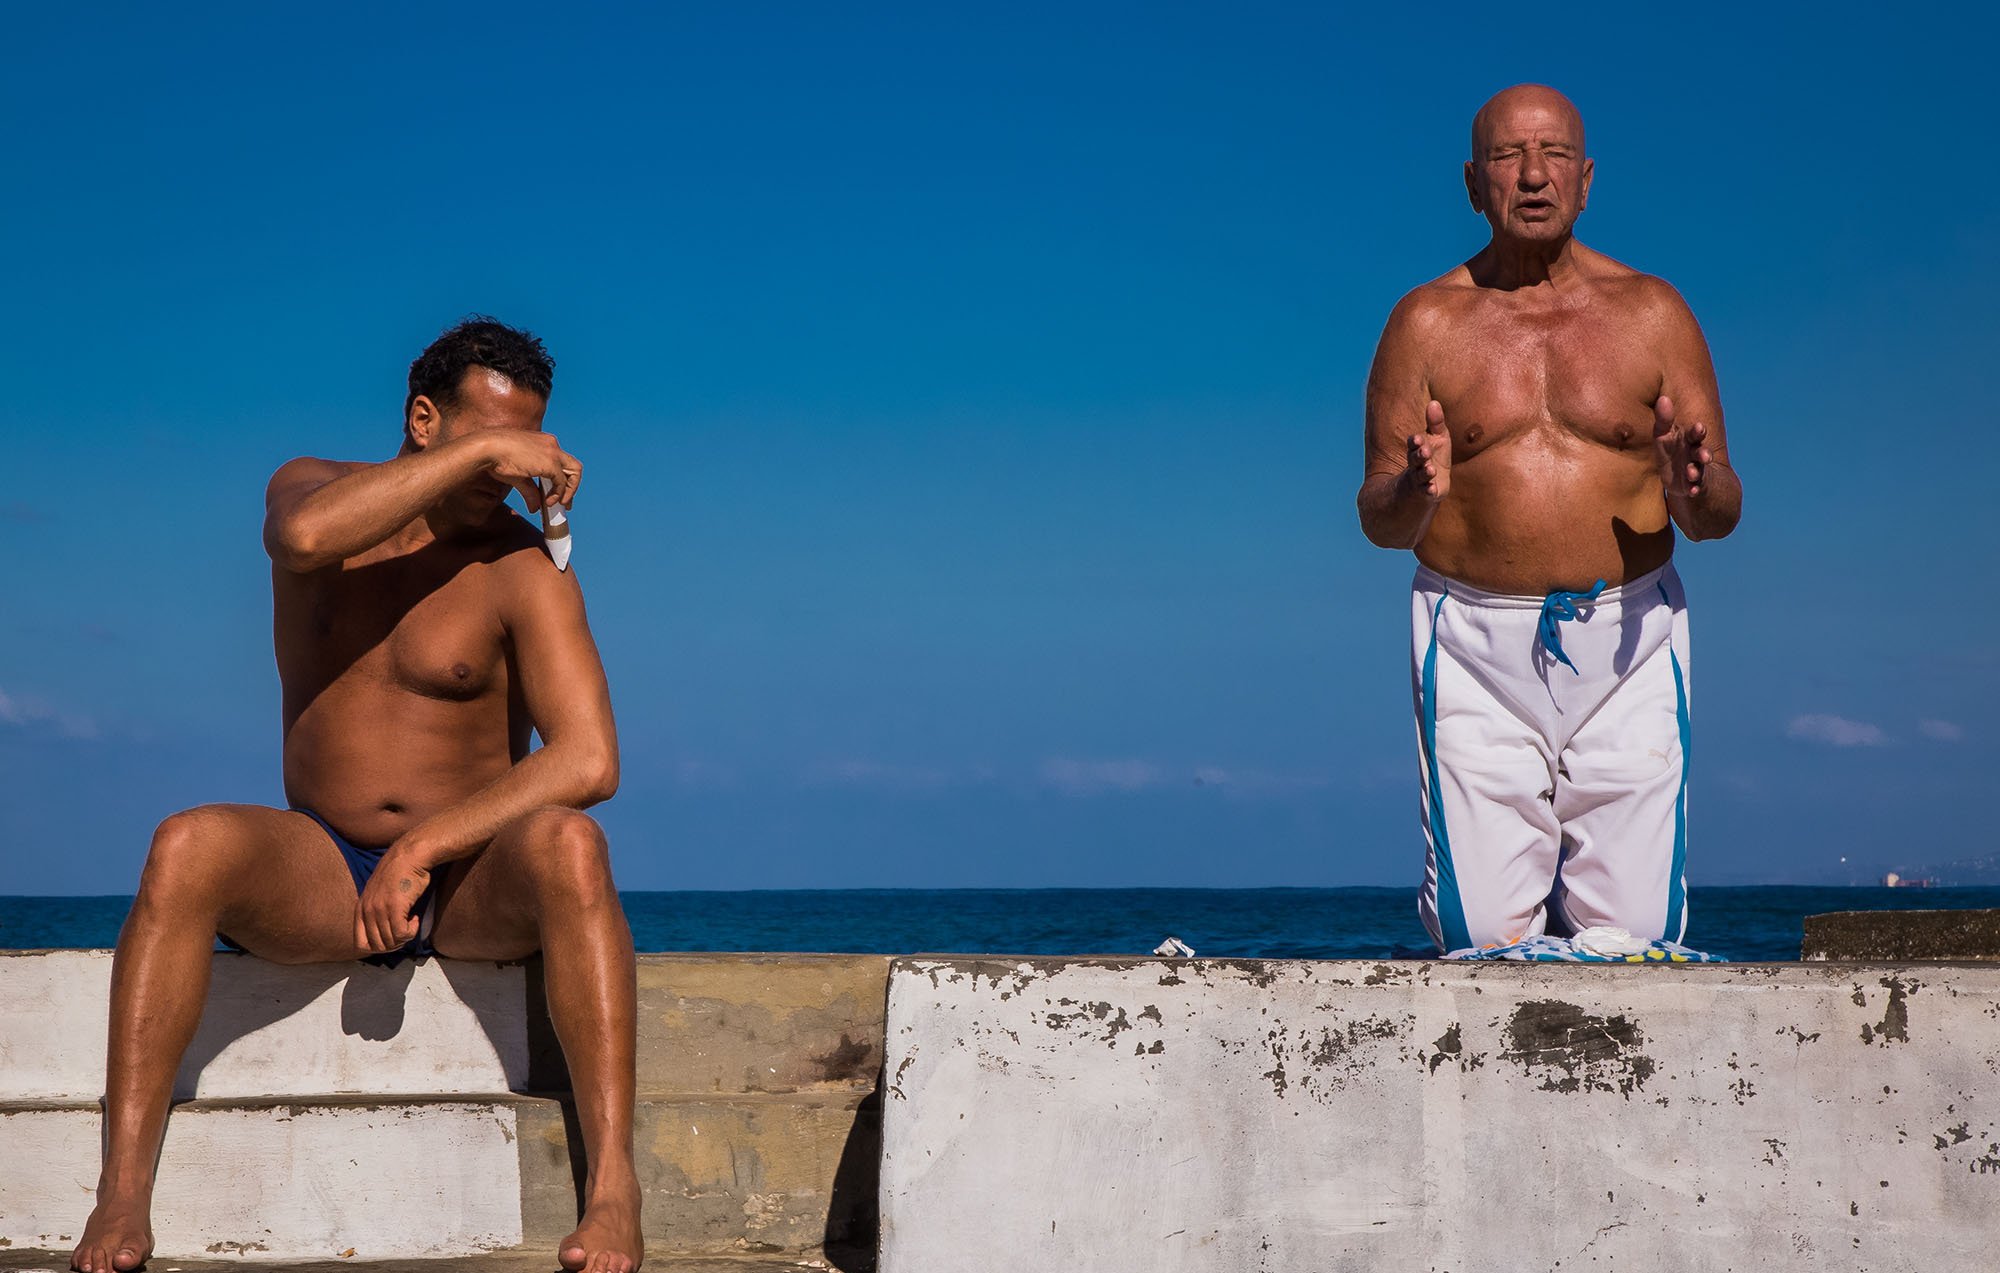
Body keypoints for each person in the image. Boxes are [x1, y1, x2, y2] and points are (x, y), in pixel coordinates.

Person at [72, 319, 642, 1273]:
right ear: (425, 419)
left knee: (574, 843)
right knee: (185, 843)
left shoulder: (520, 572)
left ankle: (615, 1189)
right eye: (488, 448)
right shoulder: (309, 491)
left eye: (522, 453)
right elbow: (298, 538)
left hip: (464, 879)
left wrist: (426, 848)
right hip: (324, 864)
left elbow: (589, 758)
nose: (506, 477)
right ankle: (121, 1195)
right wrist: (493, 449)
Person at [1357, 85, 1743, 955]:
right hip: (1473, 644)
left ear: (1587, 178)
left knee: (1639, 935)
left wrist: (1692, 488)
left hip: (1631, 638)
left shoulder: (1654, 313)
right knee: (1480, 933)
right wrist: (1417, 488)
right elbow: (1379, 517)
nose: (1533, 176)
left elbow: (1720, 510)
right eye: (1506, 156)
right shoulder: (1423, 323)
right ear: (1471, 182)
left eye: (1555, 154)